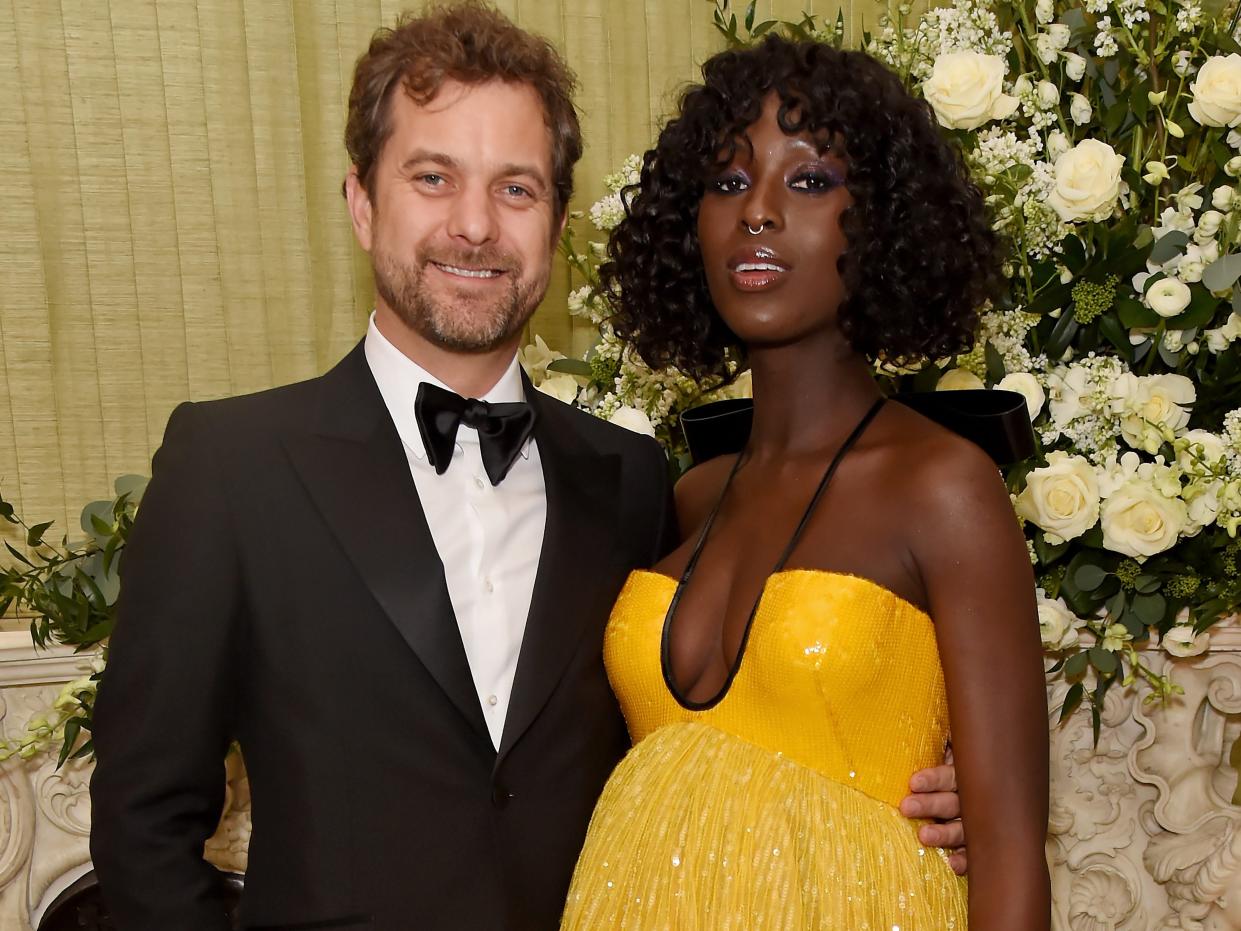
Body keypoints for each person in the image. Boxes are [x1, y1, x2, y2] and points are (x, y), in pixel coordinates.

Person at [88, 5, 970, 929]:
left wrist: (927, 788)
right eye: (432, 178)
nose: (474, 226)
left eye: (515, 189)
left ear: (555, 217)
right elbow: (145, 822)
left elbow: (717, 730)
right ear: (361, 201)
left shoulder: (632, 480)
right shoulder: (230, 467)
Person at [561, 34, 1050, 931]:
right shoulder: (690, 495)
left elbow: (1012, 858)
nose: (757, 212)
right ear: (687, 224)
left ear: (887, 225)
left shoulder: (943, 485)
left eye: (811, 180)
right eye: (725, 181)